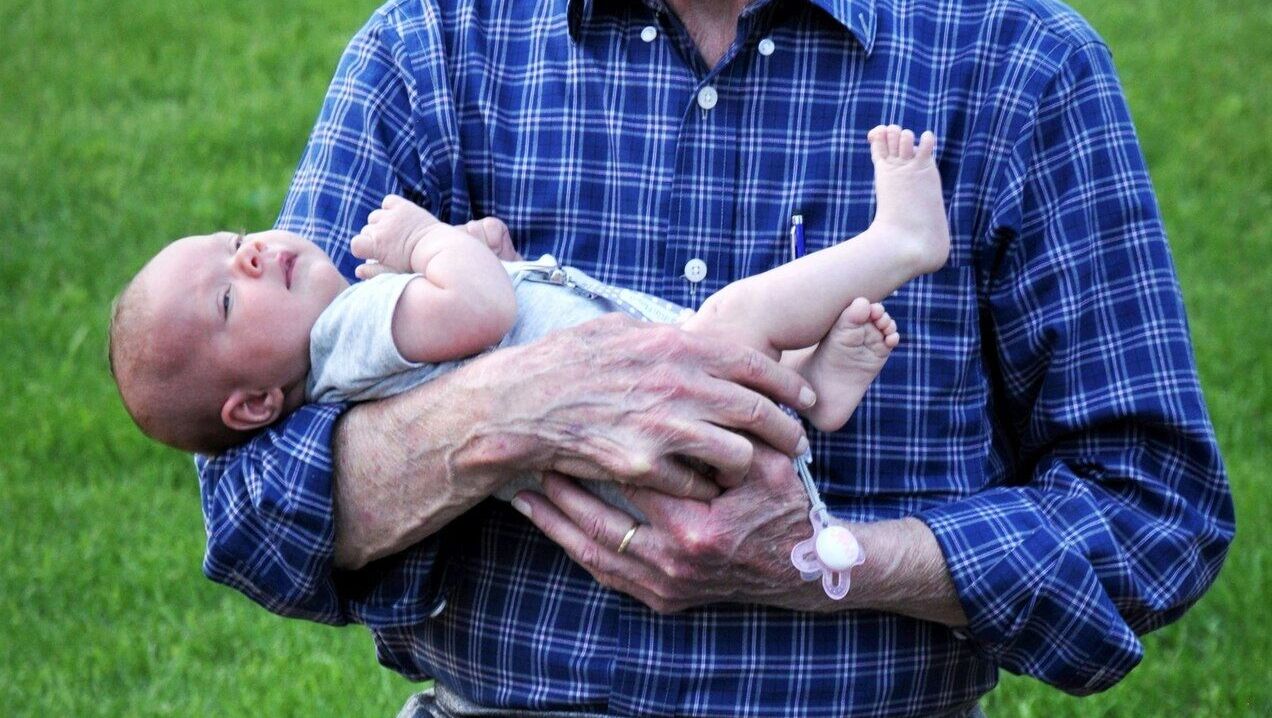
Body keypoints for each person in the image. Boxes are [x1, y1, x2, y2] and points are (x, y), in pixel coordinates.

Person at [189, 1, 1234, 716]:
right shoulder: (431, 46)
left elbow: (1157, 512)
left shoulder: (1020, 62)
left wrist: (834, 566)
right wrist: (503, 413)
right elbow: (250, 502)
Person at [112, 127, 946, 494]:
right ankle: (899, 243)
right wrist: (427, 240)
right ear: (256, 404)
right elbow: (481, 310)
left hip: (656, 445)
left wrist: (482, 250)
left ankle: (807, 387)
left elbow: (485, 311)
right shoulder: (350, 334)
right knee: (734, 316)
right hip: (666, 418)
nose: (252, 255)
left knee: (731, 340)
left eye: (234, 241)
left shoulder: (357, 350)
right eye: (228, 297)